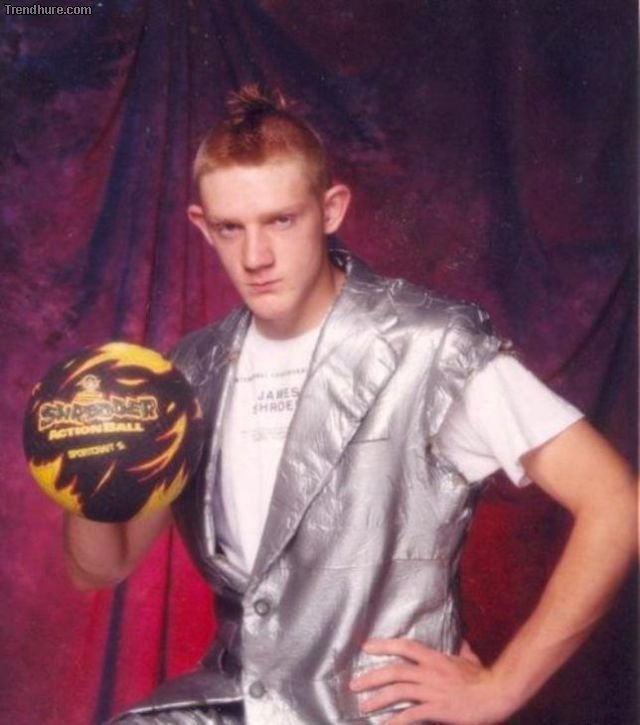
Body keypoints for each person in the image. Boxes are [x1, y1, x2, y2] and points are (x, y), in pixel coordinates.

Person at [64, 85, 637, 725]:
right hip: (236, 703)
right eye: (231, 228)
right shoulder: (186, 374)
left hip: (378, 710)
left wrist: (500, 688)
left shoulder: (431, 346)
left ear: (330, 209)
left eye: (282, 221)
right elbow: (103, 566)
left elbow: (616, 502)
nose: (256, 257)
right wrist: (82, 471)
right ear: (203, 226)